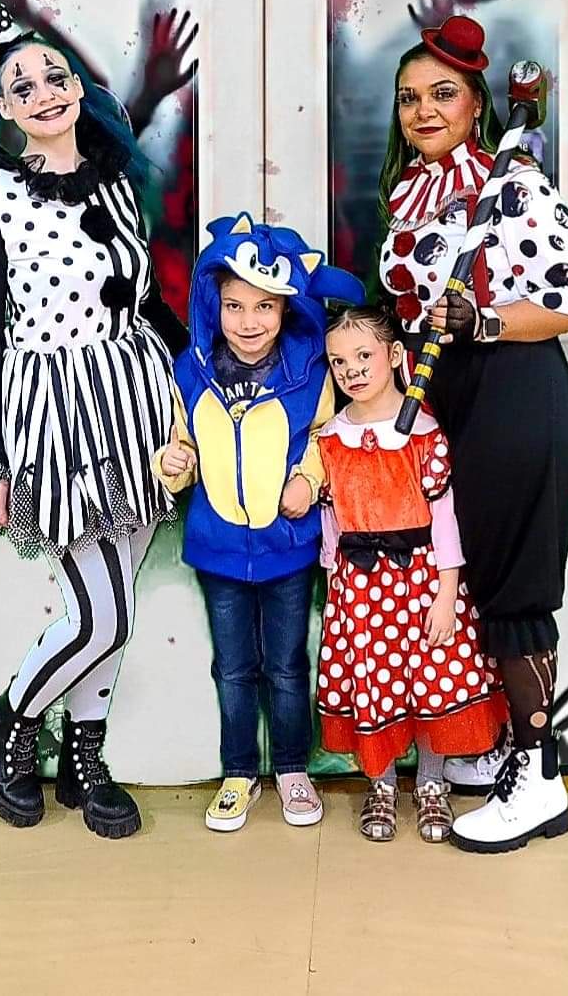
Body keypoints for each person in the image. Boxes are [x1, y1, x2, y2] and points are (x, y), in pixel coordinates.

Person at [0, 3, 189, 839]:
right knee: (100, 614)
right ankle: (7, 722)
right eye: (24, 85)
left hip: (137, 407)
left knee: (115, 602)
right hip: (57, 419)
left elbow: (144, 303)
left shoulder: (117, 183)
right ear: (3, 107)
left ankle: (86, 757)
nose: (45, 91)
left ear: (78, 86)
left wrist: (202, 376)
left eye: (56, 75)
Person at [377, 14, 568, 852]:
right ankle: (522, 758)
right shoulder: (412, 194)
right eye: (409, 97)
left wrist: (481, 320)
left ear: (479, 104)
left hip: (516, 392)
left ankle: (539, 778)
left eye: (442, 93)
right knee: (488, 585)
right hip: (458, 406)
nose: (423, 110)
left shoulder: (512, 184)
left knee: (517, 595)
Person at [152, 213, 363, 832]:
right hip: (217, 548)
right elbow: (182, 443)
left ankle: (293, 769)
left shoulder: (311, 374)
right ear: (213, 305)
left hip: (288, 547)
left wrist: (309, 480)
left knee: (288, 666)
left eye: (264, 307)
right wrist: (174, 463)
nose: (249, 322)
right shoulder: (190, 370)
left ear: (285, 309)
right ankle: (239, 772)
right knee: (233, 668)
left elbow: (327, 437)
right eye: (235, 306)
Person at [316, 304, 508, 843]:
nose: (352, 370)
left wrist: (447, 594)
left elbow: (446, 519)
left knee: (429, 682)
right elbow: (331, 521)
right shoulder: (330, 437)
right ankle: (380, 785)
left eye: (364, 355)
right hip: (360, 589)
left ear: (396, 355)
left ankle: (430, 784)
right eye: (338, 361)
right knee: (374, 683)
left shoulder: (425, 433)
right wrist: (334, 587)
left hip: (422, 582)